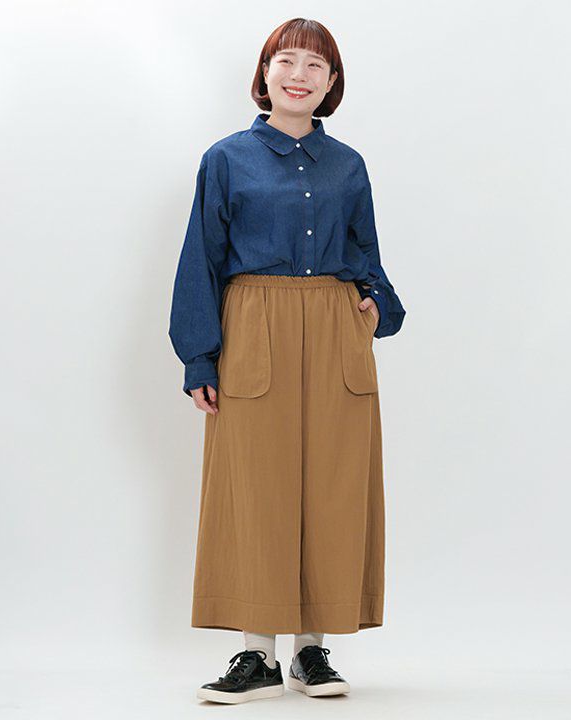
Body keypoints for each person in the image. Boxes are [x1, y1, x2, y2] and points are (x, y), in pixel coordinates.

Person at [168, 17, 406, 704]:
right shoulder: (225, 159)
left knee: (333, 486)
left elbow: (366, 253)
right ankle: (256, 655)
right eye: (287, 61)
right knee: (256, 487)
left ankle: (311, 654)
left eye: (315, 66)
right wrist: (199, 358)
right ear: (265, 73)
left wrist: (376, 306)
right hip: (254, 323)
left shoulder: (348, 165)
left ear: (332, 83)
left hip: (334, 326)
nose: (299, 75)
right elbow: (201, 259)